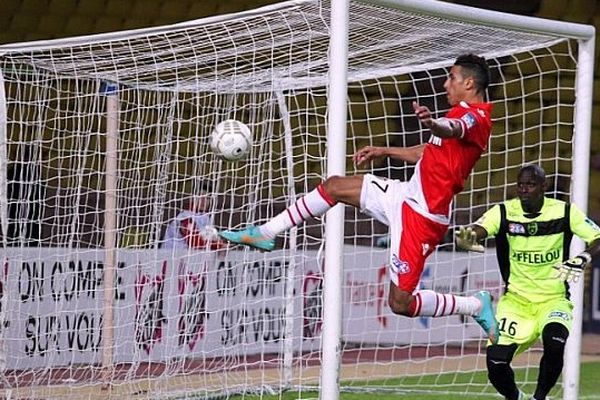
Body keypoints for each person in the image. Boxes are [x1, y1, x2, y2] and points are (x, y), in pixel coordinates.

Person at [220, 54, 499, 343]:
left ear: (468, 82)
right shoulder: (459, 113)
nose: (445, 84)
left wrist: (432, 123)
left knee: (400, 303)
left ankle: (475, 305)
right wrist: (384, 150)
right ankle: (265, 233)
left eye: (451, 78)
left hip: (423, 217)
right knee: (334, 186)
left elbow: (451, 129)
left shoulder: (476, 118)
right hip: (404, 196)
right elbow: (427, 152)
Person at [455, 164, 600, 400]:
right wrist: (467, 236)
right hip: (516, 302)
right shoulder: (503, 212)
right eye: (520, 185)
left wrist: (583, 257)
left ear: (544, 187)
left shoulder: (565, 212)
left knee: (555, 345)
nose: (524, 190)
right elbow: (477, 230)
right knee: (496, 363)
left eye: (530, 185)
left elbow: (598, 237)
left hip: (553, 301)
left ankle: (539, 397)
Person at [162, 184, 225, 250]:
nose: (203, 200)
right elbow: (194, 241)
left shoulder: (205, 218)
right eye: (200, 196)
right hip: (169, 257)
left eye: (207, 198)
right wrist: (218, 246)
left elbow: (213, 239)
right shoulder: (185, 217)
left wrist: (221, 244)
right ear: (192, 198)